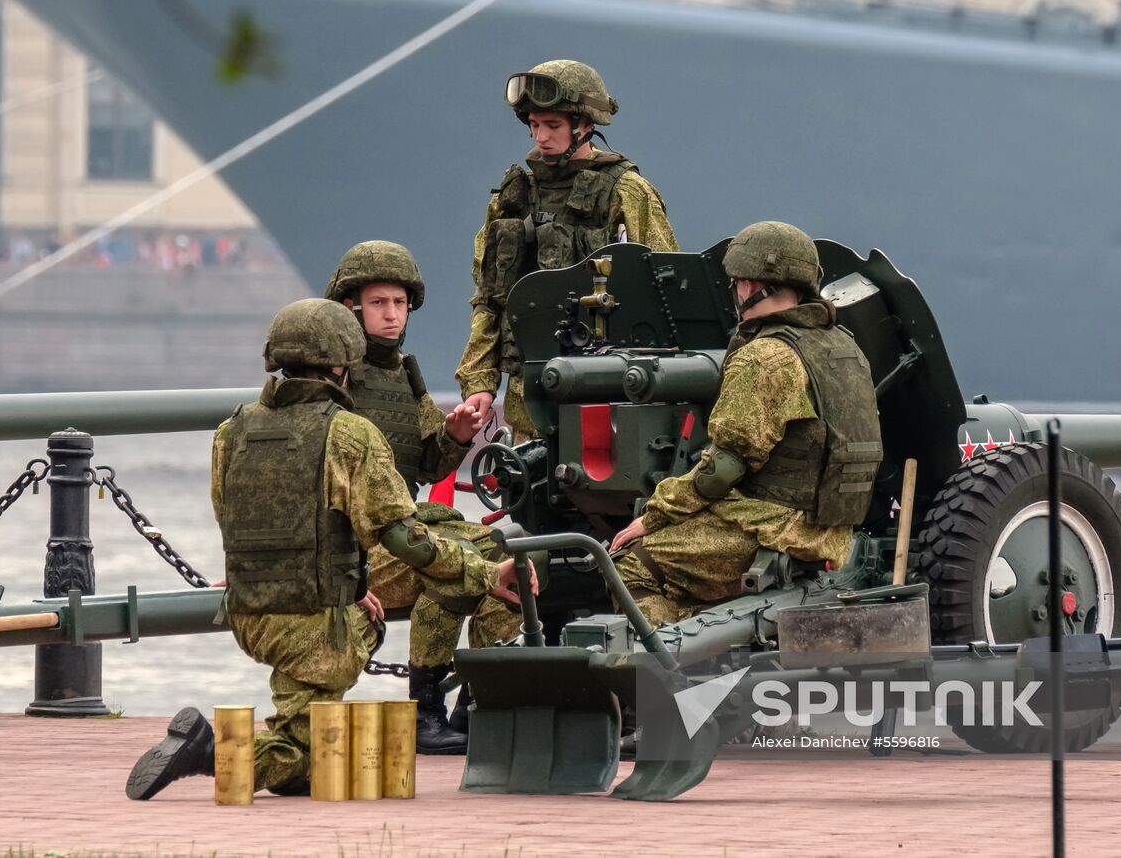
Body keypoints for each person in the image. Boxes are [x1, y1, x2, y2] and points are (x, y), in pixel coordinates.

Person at [125, 298, 533, 800]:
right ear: (343, 362)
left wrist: (349, 583)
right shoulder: (348, 433)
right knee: (310, 751)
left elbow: (231, 518)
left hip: (250, 614)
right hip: (316, 624)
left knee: (304, 765)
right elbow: (402, 537)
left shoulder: (231, 432)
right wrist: (487, 575)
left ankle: (275, 739)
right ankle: (206, 751)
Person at [611, 222, 883, 626]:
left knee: (625, 565)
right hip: (829, 531)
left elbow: (722, 469)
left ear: (754, 283)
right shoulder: (843, 345)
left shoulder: (764, 356)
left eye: (737, 281)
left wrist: (652, 516)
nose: (735, 291)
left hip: (771, 528)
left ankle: (668, 672)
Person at [323, 240, 516, 754]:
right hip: (352, 547)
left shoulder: (404, 374)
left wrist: (455, 435)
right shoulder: (327, 377)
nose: (391, 314)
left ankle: (479, 704)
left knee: (512, 559)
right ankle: (423, 712)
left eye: (399, 304)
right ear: (350, 308)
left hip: (402, 528)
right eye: (378, 303)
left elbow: (429, 464)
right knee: (450, 567)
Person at [456, 59, 678, 438]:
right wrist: (479, 382)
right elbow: (489, 299)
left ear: (585, 124)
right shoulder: (512, 198)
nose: (541, 137)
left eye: (553, 125)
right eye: (534, 125)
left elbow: (666, 293)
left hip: (607, 397)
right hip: (529, 402)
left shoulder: (625, 192)